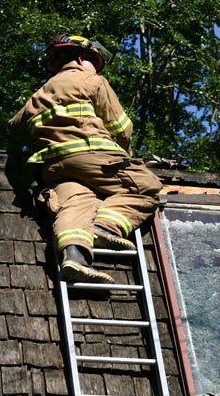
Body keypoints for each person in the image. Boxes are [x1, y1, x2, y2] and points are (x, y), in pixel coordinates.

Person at [9, 34, 162, 283]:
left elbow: (14, 127)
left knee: (76, 202)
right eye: (94, 60)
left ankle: (75, 257)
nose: (96, 66)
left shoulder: (36, 97)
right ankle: (104, 227)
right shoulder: (91, 80)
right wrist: (125, 157)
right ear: (81, 59)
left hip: (54, 169)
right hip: (92, 156)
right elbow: (122, 128)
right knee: (146, 188)